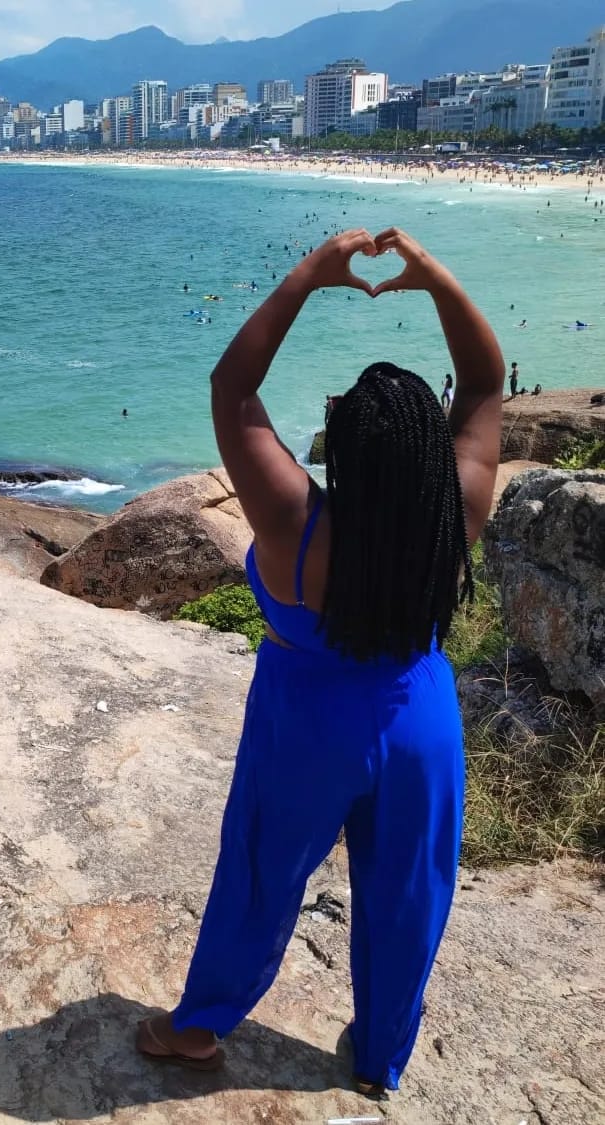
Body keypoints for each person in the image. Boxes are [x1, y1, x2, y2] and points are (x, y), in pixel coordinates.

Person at [135, 228, 503, 1097]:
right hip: (417, 721)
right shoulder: (456, 509)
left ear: (341, 446)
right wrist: (435, 280)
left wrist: (308, 276)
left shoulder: (293, 520)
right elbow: (485, 382)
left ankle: (198, 1028)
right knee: (408, 891)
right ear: (426, 455)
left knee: (261, 870)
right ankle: (379, 1057)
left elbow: (233, 389)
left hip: (304, 719)